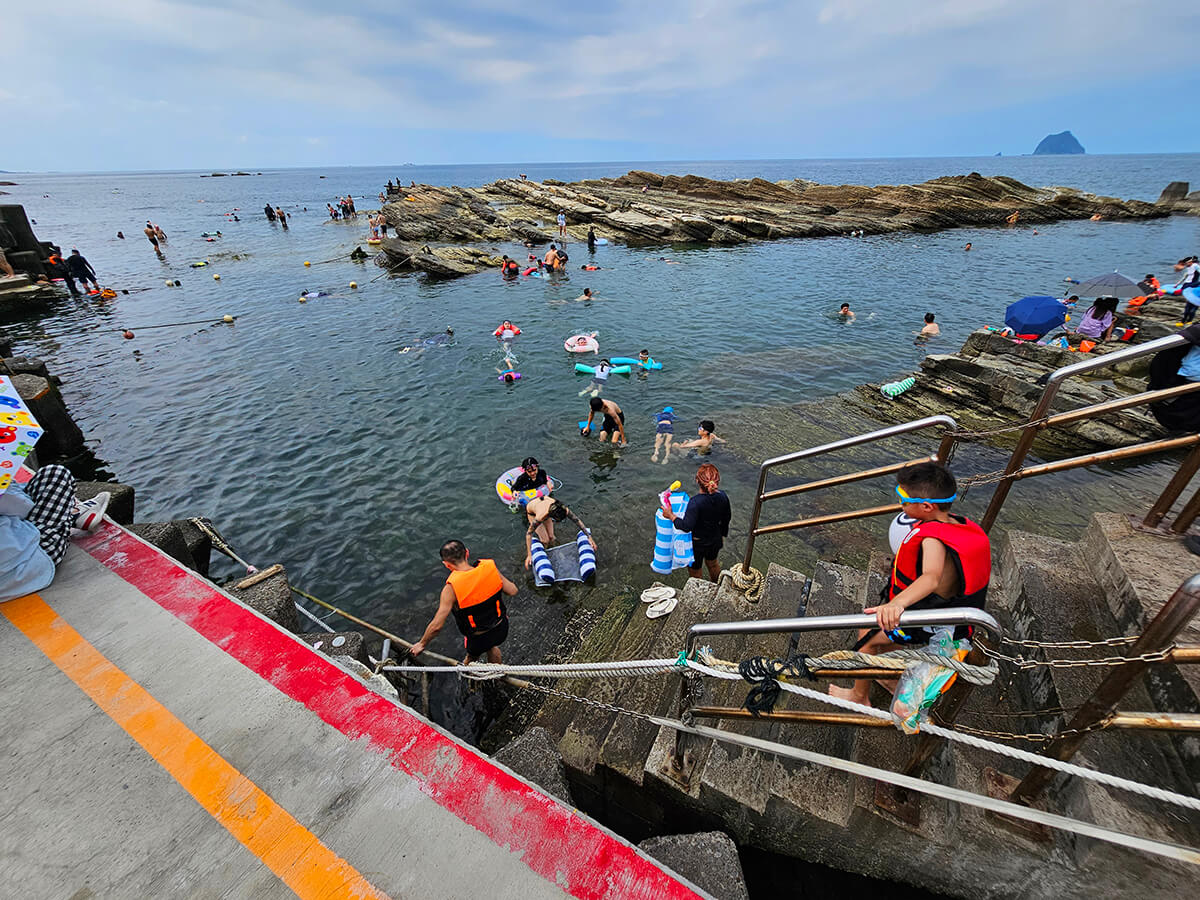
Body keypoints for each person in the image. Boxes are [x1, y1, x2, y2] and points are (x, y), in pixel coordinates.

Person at [830, 461, 990, 708]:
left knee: (867, 634)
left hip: (935, 623)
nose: (900, 504)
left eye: (903, 498)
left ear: (926, 507)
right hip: (951, 614)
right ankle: (890, 674)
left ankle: (859, 697)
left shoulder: (932, 540)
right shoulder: (959, 524)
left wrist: (896, 604)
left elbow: (931, 577)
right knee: (885, 635)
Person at [0, 465, 110, 602]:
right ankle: (72, 515)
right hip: (32, 562)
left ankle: (72, 514)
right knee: (56, 475)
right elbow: (24, 508)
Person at [411, 540, 518, 664]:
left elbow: (436, 626)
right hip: (501, 629)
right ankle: (497, 675)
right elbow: (513, 590)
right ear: (467, 553)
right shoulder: (489, 568)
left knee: (472, 657)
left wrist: (422, 644)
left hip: (478, 639)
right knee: (492, 647)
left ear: (446, 564)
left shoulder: (451, 589)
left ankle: (468, 674)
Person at [662, 463, 730, 583]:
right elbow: (726, 518)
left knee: (695, 570)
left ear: (697, 480)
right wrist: (723, 534)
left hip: (697, 544)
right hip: (715, 539)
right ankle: (717, 585)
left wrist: (671, 516)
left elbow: (686, 526)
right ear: (717, 481)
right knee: (713, 564)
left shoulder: (695, 502)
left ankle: (700, 592)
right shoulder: (723, 496)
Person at [524, 497, 594, 568]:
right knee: (545, 540)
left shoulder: (563, 509)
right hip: (532, 512)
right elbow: (529, 534)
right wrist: (529, 555)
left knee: (552, 537)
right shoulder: (540, 517)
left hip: (545, 504)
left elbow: (577, 521)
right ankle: (546, 552)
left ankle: (555, 551)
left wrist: (589, 537)